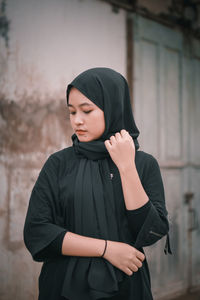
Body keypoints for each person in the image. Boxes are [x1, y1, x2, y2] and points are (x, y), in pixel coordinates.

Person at [23, 67, 171, 300]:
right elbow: (37, 231)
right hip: (63, 286)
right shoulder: (59, 163)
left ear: (113, 108)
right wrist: (106, 249)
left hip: (126, 287)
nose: (77, 121)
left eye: (87, 110)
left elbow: (151, 232)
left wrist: (126, 166)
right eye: (72, 112)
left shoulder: (143, 164)